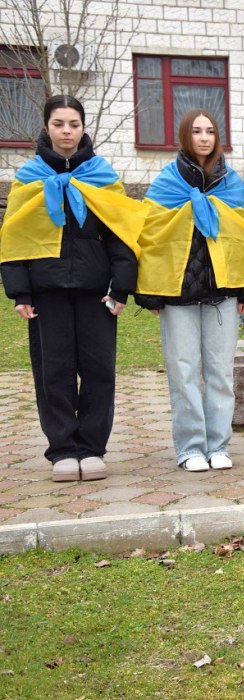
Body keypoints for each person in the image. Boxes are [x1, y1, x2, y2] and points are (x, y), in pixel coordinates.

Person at [0, 95, 145, 482]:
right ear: (46, 128)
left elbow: (123, 238)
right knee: (54, 373)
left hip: (96, 294)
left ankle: (92, 448)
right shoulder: (29, 178)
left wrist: (121, 289)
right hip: (47, 294)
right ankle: (63, 449)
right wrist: (21, 292)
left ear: (83, 128)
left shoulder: (101, 176)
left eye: (74, 124)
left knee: (100, 372)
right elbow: (14, 238)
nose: (67, 131)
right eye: (59, 123)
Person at [135, 110, 244, 471]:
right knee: (183, 370)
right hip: (177, 296)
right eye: (196, 131)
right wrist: (152, 293)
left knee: (221, 371)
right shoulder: (166, 182)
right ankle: (191, 448)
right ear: (184, 135)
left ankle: (218, 445)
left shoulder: (232, 183)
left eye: (210, 131)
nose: (204, 137)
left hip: (222, 294)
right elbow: (150, 238)